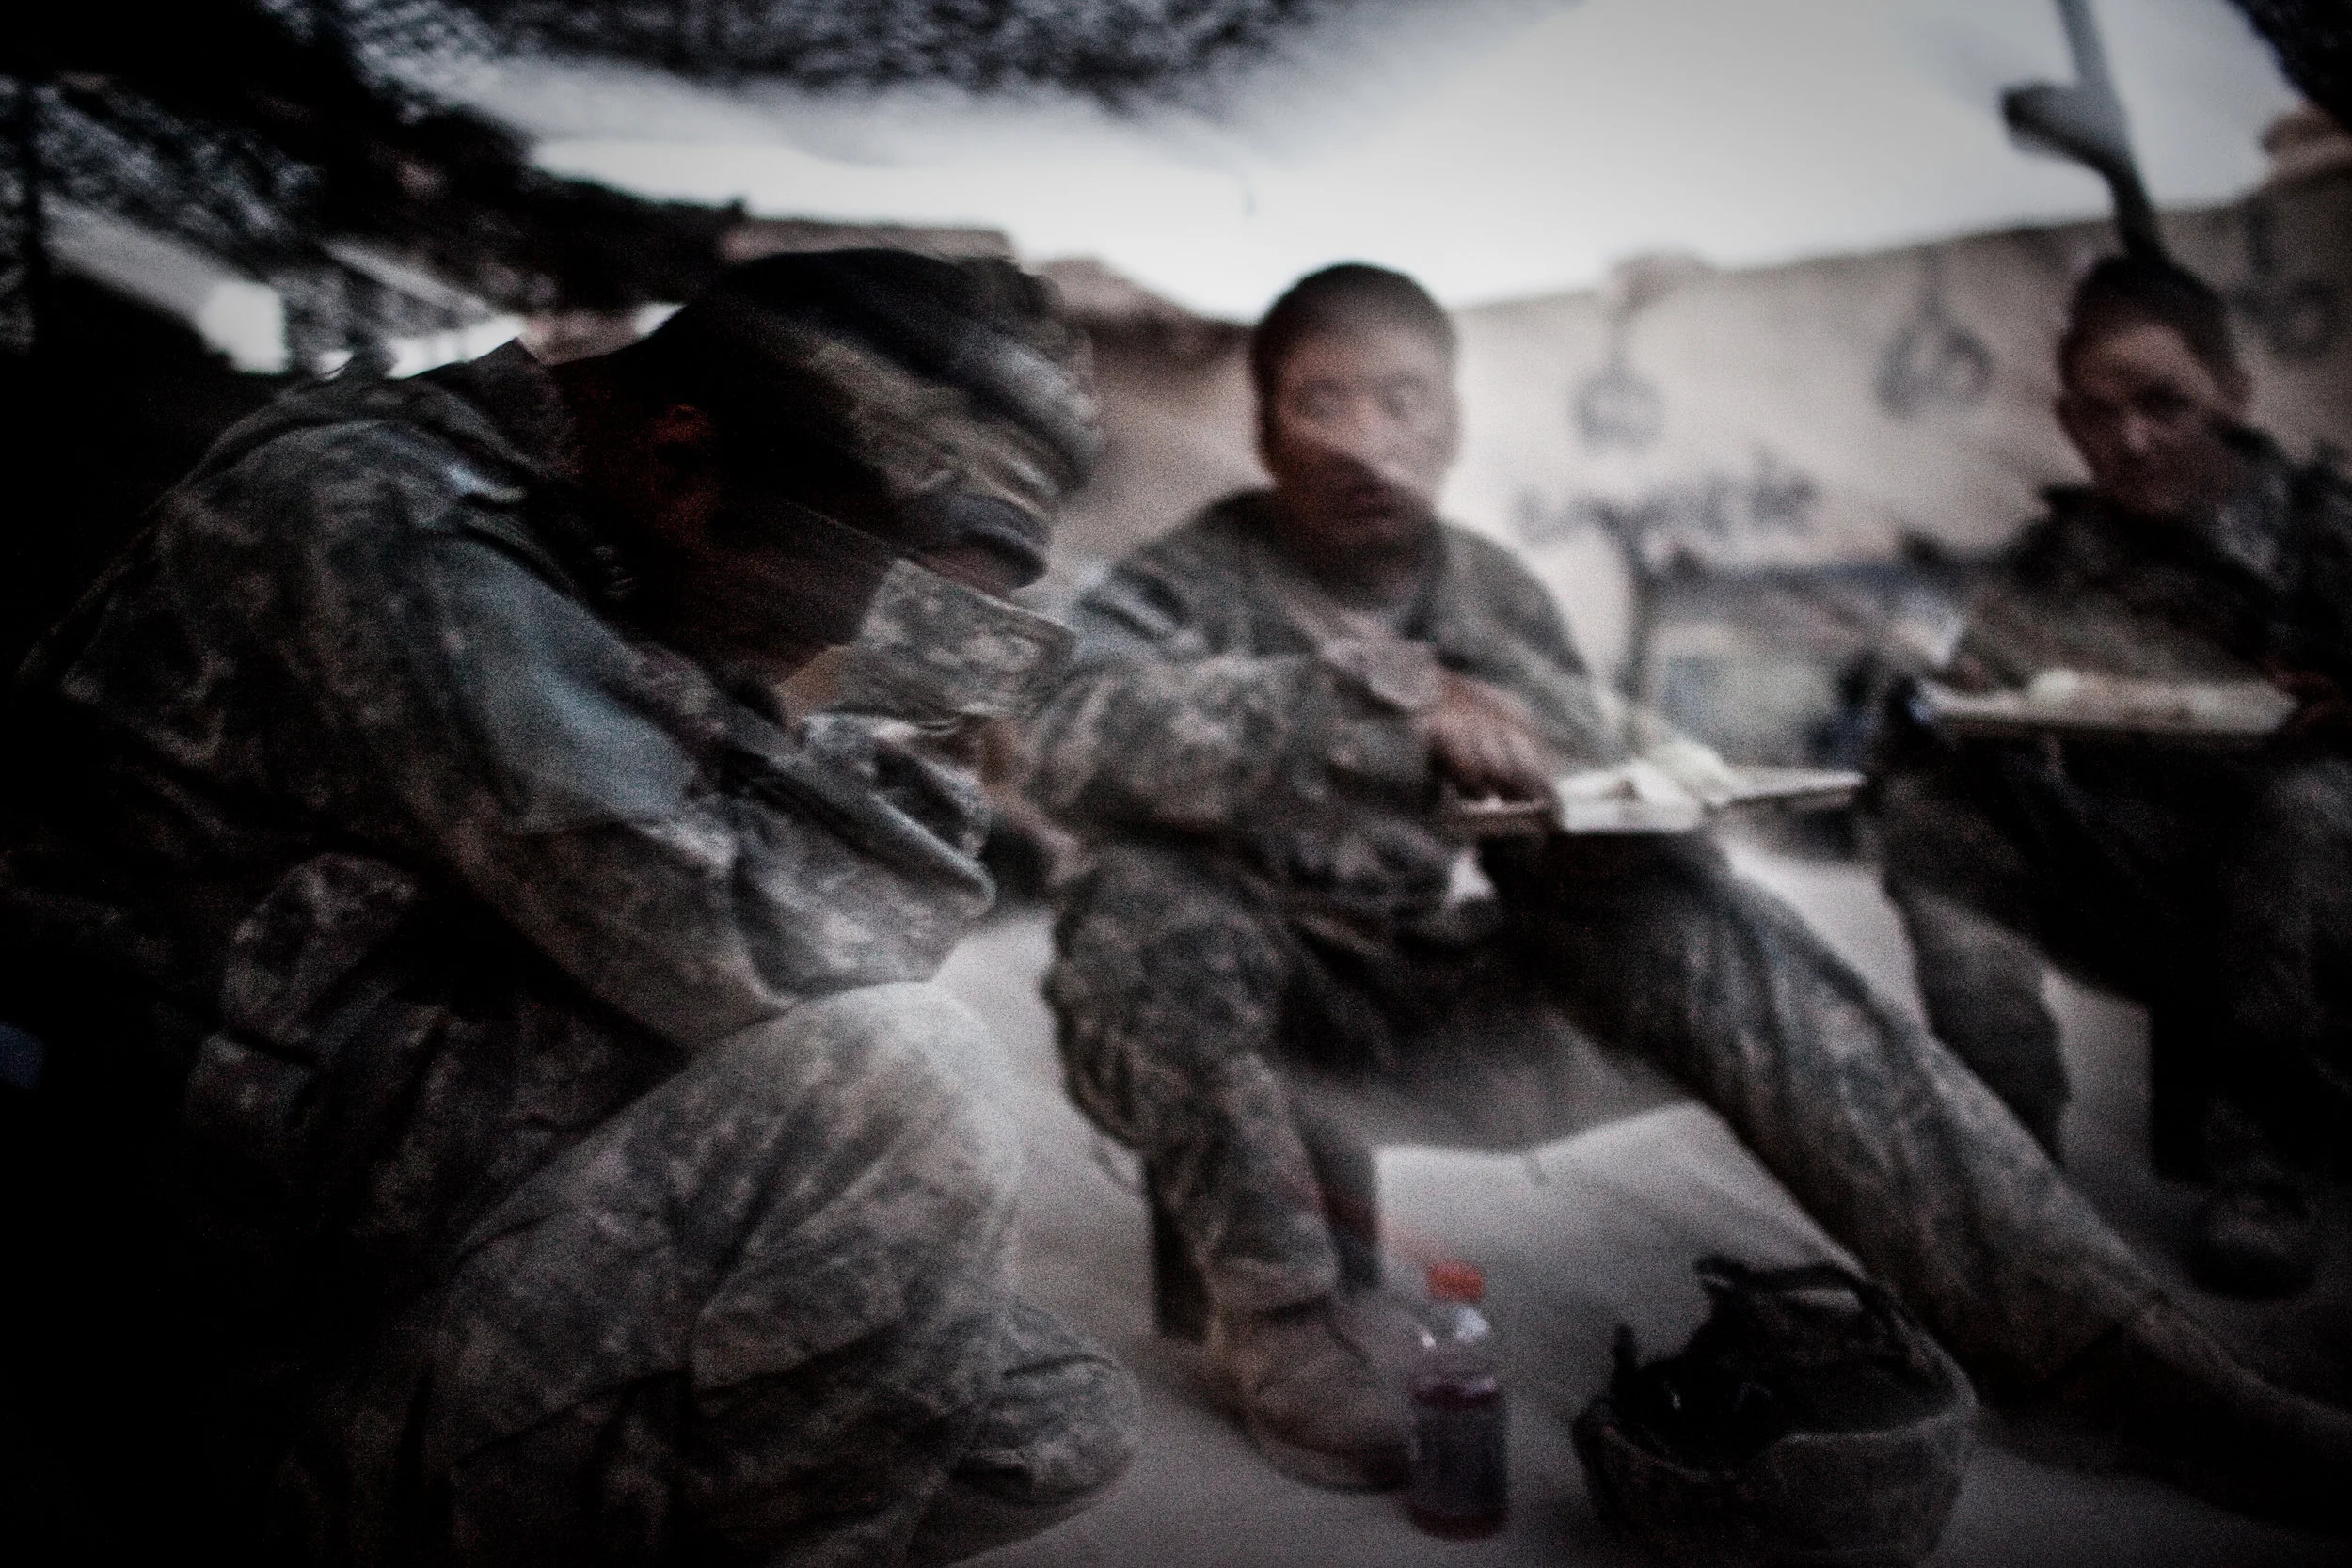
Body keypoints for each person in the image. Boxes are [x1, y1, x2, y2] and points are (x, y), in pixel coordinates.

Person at [1023, 261, 2352, 1528]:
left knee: (1701, 918)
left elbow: (1591, 788)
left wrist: (1620, 831)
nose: (1365, 435)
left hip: (1432, 1015)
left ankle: (2099, 1355)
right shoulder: (1185, 580)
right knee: (1142, 890)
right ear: (1263, 423)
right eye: (1322, 399)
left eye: (1403, 398)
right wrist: (1368, 704)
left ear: (1454, 420)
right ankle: (1279, 1313)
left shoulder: (1489, 583)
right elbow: (1058, 731)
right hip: (1229, 1031)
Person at [0, 250, 1136, 1566]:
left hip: (410, 1237)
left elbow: (866, 921)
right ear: (676, 463)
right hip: (217, 1366)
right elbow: (779, 957)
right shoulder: (377, 521)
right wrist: (903, 697)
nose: (878, 657)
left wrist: (892, 647)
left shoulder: (604, 539)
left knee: (1042, 1413)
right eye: (870, 614)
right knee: (907, 1076)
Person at [1876, 254, 2352, 1299]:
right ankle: (2009, 1159)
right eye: (2097, 415)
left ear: (2234, 394)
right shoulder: (2056, 554)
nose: (2130, 441)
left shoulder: (2326, 532)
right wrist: (1947, 699)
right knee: (1929, 812)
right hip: (2144, 886)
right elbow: (1927, 725)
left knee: (2311, 804)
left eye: (2164, 404)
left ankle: (2265, 1168)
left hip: (2316, 912)